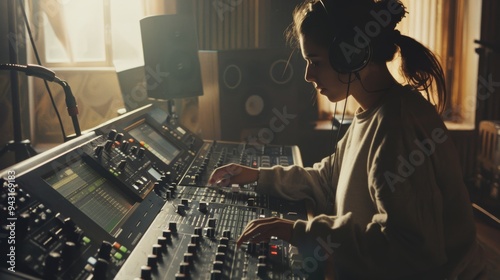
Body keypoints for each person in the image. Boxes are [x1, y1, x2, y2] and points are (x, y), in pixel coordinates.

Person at [208, 0, 488, 279]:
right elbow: (327, 179)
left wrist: (298, 231)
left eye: (315, 62)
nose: (308, 75)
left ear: (352, 55)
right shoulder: (372, 112)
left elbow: (411, 249)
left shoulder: (398, 125)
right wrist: (258, 177)